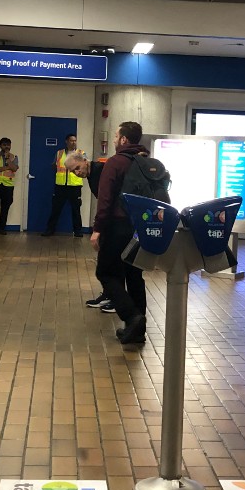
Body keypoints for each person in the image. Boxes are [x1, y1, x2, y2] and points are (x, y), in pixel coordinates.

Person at [90, 121, 152, 346]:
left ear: (124, 139)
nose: (114, 139)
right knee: (134, 275)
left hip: (118, 226)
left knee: (106, 273)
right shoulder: (147, 162)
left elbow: (105, 200)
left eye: (117, 136)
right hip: (142, 227)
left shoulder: (115, 163)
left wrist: (97, 230)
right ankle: (137, 330)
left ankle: (131, 317)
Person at [64, 151, 114, 313]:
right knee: (104, 261)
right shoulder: (91, 175)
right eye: (73, 172)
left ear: (84, 161)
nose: (77, 173)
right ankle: (108, 294)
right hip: (108, 221)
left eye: (77, 168)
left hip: (116, 222)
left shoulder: (101, 171)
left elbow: (107, 201)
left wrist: (98, 226)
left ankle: (115, 299)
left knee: (111, 263)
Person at [41, 133, 84, 237]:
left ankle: (78, 232)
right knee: (56, 209)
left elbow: (85, 167)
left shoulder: (81, 153)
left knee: (76, 210)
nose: (73, 142)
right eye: (71, 140)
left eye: (75, 140)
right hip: (60, 186)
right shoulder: (59, 153)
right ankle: (50, 230)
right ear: (66, 141)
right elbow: (54, 165)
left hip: (75, 185)